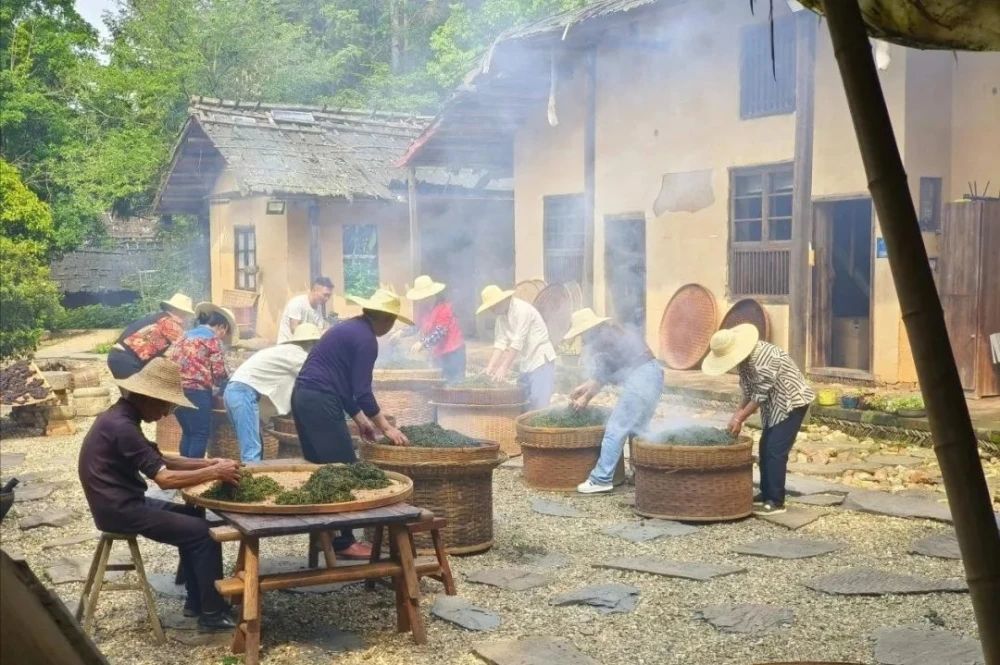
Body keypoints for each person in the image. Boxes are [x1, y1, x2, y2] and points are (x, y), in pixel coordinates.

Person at [77, 357, 241, 632]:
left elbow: (161, 459)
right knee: (204, 535)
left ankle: (196, 601)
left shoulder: (122, 417)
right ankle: (212, 614)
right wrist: (216, 473)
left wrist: (209, 462)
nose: (166, 413)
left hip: (122, 502)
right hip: (119, 510)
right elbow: (165, 479)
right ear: (147, 397)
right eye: (165, 404)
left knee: (193, 515)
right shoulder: (122, 427)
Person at [291, 288, 411, 558]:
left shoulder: (348, 328)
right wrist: (386, 427)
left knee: (324, 470)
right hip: (321, 400)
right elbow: (362, 391)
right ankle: (344, 542)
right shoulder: (367, 339)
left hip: (302, 397)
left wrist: (359, 418)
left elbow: (343, 385)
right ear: (386, 319)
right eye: (392, 322)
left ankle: (324, 536)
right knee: (345, 470)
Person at [702, 324, 815, 516]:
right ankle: (766, 493)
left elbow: (759, 395)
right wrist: (736, 415)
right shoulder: (745, 361)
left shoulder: (762, 357)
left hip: (791, 402)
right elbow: (748, 391)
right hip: (774, 405)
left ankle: (776, 501)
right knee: (764, 447)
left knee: (775, 450)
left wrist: (740, 418)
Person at [564, 308, 664, 494]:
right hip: (654, 374)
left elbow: (603, 373)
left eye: (582, 334)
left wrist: (585, 398)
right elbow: (603, 375)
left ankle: (601, 478)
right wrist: (584, 388)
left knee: (616, 428)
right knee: (638, 429)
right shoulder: (611, 332)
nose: (583, 339)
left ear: (588, 330)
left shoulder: (603, 339)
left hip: (642, 378)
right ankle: (643, 474)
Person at [223, 323, 321, 463]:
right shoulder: (298, 355)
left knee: (253, 444)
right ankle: (251, 476)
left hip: (234, 391)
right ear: (311, 343)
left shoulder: (283, 351)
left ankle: (252, 474)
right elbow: (317, 377)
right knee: (252, 452)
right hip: (243, 393)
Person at [167, 303, 235, 459]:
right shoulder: (212, 339)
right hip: (196, 391)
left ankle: (184, 469)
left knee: (188, 432)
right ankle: (195, 471)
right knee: (200, 433)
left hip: (175, 389)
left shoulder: (184, 336)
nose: (223, 336)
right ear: (222, 326)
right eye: (225, 332)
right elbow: (219, 373)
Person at [478, 284, 557, 411]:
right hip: (526, 362)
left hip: (541, 360)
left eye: (493, 306)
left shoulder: (522, 310)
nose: (492, 310)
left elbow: (517, 342)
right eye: (490, 308)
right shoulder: (501, 318)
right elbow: (500, 343)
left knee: (539, 402)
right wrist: (490, 367)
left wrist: (503, 367)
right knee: (522, 400)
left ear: (502, 301)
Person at [107, 293, 194, 379]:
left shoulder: (158, 318)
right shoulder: (170, 323)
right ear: (175, 310)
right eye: (185, 313)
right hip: (127, 360)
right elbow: (186, 349)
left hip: (118, 357)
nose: (186, 317)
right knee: (141, 388)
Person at [405, 275, 466, 383]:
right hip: (439, 353)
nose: (420, 300)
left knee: (454, 384)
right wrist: (401, 333)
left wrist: (422, 343)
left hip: (453, 353)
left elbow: (440, 333)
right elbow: (416, 326)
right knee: (440, 384)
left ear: (430, 295)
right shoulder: (424, 310)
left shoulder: (444, 308)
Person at [277, 276, 334, 343]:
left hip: (305, 345)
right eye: (325, 295)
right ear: (314, 290)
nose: (327, 298)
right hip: (288, 345)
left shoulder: (318, 307)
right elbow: (294, 330)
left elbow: (320, 329)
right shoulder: (297, 303)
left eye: (329, 296)